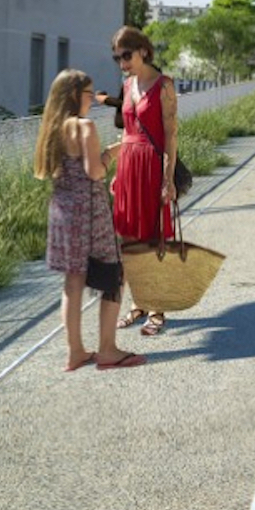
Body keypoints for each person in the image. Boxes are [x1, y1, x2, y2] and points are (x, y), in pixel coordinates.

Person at [38, 69, 143, 371]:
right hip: (89, 213)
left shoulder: (52, 129)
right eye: (88, 94)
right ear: (74, 95)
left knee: (73, 282)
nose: (92, 101)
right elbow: (95, 171)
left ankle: (75, 352)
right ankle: (108, 350)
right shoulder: (85, 127)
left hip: (62, 213)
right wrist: (112, 152)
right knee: (113, 275)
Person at [100, 25, 177, 338]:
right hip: (130, 168)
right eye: (117, 57)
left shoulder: (165, 85)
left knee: (153, 240)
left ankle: (158, 308)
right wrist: (117, 168)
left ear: (143, 51)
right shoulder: (127, 84)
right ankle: (139, 303)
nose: (122, 63)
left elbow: (170, 135)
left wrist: (168, 180)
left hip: (153, 169)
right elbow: (128, 133)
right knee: (129, 241)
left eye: (126, 55)